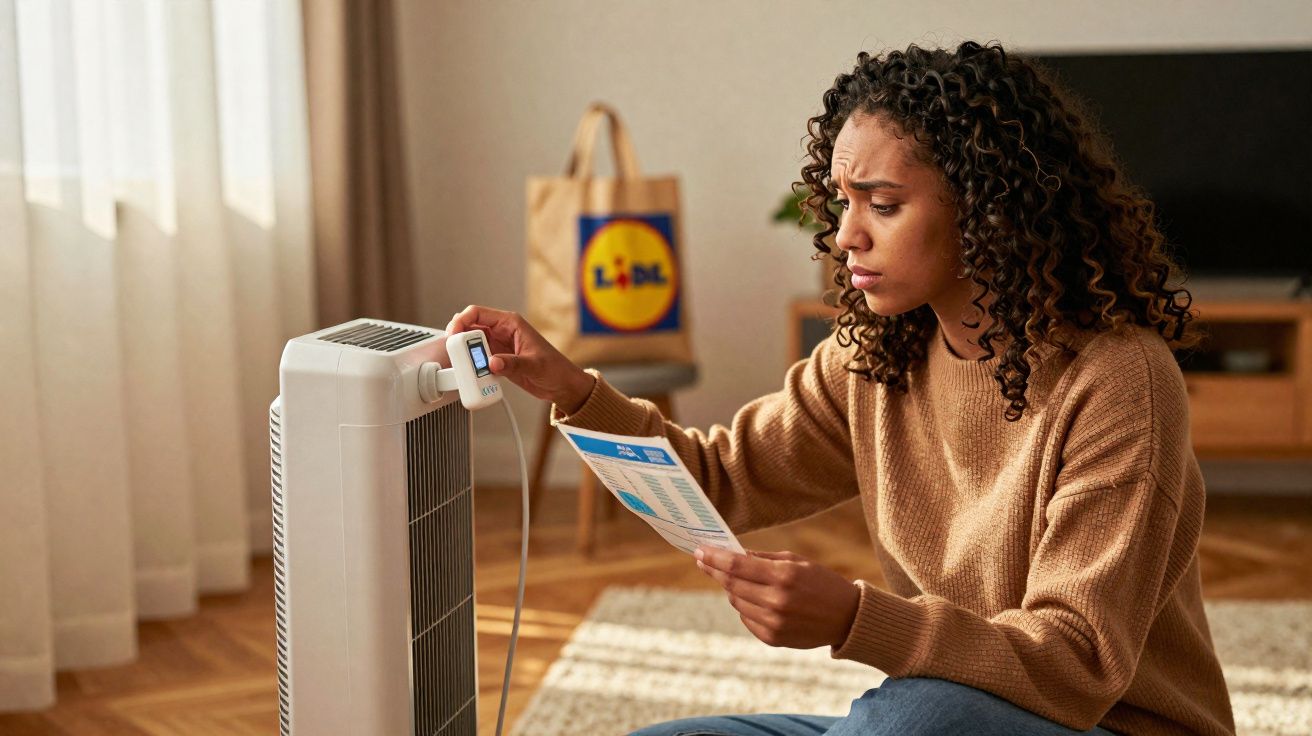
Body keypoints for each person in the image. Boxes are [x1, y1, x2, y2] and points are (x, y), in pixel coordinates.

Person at [447, 41, 1235, 736]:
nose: (848, 235)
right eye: (843, 202)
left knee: (914, 717)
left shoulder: (1118, 380)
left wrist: (857, 618)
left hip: (1106, 726)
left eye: (883, 205)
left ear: (989, 211)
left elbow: (1078, 662)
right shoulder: (876, 357)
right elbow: (715, 481)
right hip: (947, 712)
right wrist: (571, 387)